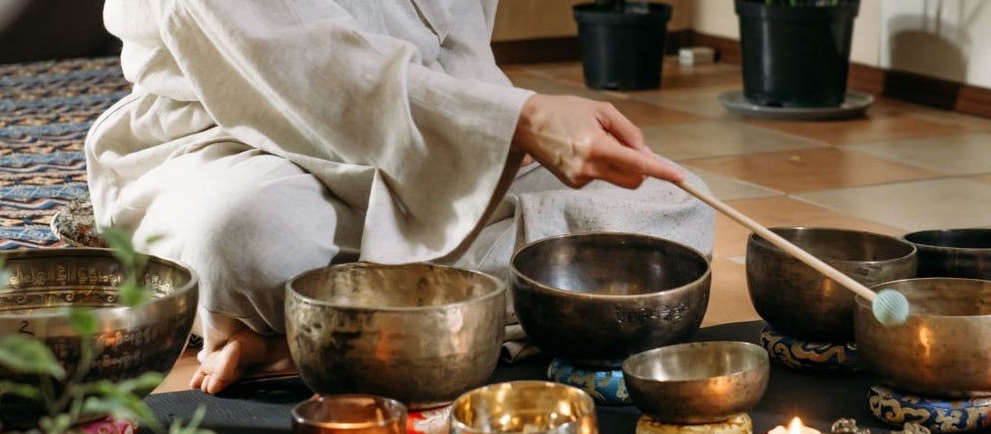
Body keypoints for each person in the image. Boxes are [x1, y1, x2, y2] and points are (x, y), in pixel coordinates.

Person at [85, 0, 715, 395]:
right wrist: (517, 121)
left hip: (447, 141)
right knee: (247, 236)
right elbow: (304, 68)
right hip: (243, 146)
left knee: (672, 209)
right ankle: (459, 323)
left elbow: (457, 57)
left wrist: (501, 128)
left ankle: (318, 336)